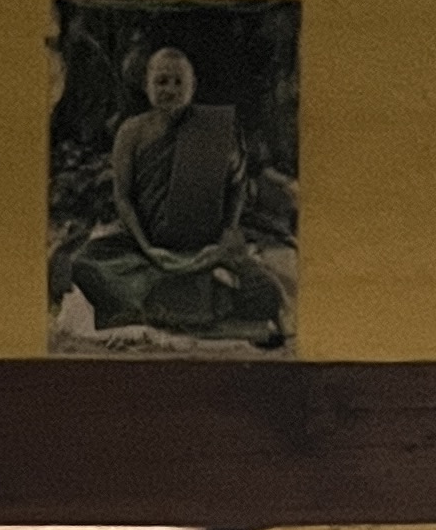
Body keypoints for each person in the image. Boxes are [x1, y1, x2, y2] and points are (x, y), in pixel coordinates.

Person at [65, 47, 289, 349]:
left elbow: (237, 186)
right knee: (85, 263)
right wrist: (148, 247)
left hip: (204, 246)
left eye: (178, 82)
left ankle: (176, 306)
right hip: (144, 245)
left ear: (192, 87)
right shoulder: (131, 132)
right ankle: (212, 313)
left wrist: (227, 232)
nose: (169, 90)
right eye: (161, 81)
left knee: (267, 291)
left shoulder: (215, 130)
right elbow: (123, 197)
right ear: (146, 85)